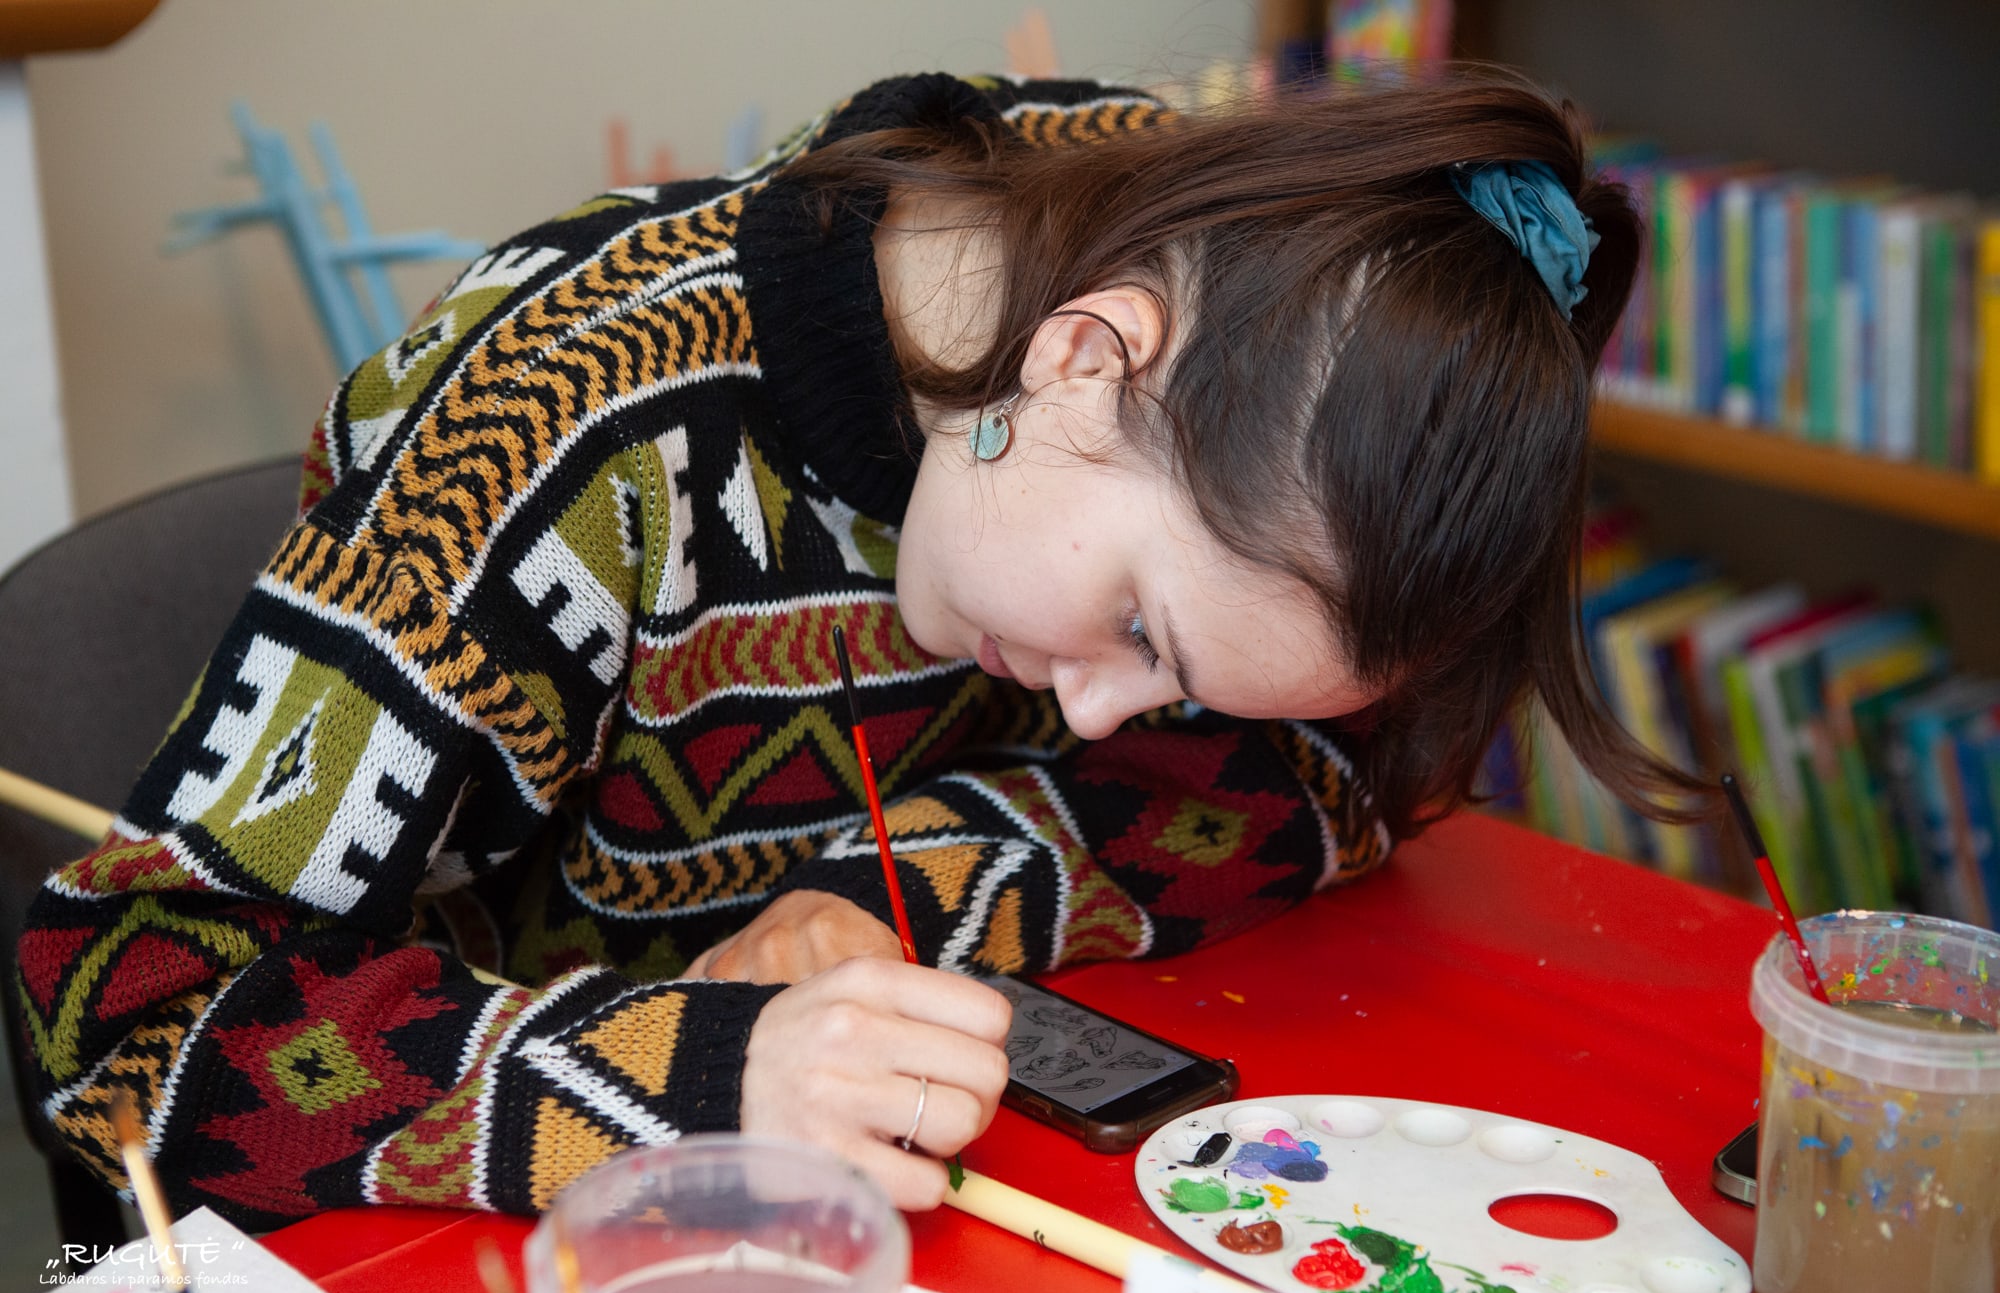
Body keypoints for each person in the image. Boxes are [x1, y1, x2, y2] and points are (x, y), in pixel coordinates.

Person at [17, 64, 1704, 1228]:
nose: (1107, 715)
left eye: (1174, 684)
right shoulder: (559, 422)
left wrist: (894, 896)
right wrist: (691, 1069)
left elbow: (1353, 763)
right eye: (1138, 628)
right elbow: (125, 1023)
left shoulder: (1236, 250)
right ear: (1085, 356)